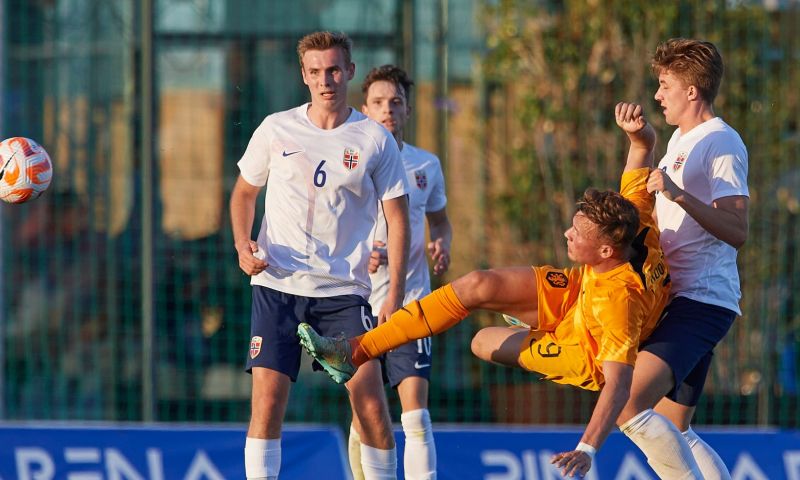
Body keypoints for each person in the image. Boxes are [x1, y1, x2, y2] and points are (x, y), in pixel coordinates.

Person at [300, 103, 703, 477]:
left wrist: (588, 449)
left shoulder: (619, 303)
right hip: (578, 291)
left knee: (481, 341)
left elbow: (617, 386)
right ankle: (356, 350)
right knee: (479, 283)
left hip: (583, 350)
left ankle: (537, 326)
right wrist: (639, 136)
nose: (566, 233)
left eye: (576, 232)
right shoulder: (636, 223)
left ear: (603, 248)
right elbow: (642, 155)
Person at [230, 31, 410, 480]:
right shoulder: (276, 128)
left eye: (333, 70)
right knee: (267, 401)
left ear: (349, 71)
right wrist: (242, 244)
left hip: (344, 293)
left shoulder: (373, 139)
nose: (325, 79)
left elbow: (398, 219)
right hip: (277, 285)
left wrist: (395, 296)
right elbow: (244, 193)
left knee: (369, 402)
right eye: (315, 72)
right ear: (303, 76)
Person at [617, 38, 749, 480]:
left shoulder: (722, 142)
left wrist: (678, 194)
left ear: (691, 91)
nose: (657, 95)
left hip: (701, 302)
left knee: (627, 403)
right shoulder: (680, 138)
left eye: (664, 84)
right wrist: (640, 142)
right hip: (680, 298)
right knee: (677, 427)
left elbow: (737, 230)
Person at [351, 64, 452, 480]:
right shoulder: (352, 160)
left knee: (416, 416)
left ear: (408, 109)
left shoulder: (425, 165)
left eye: (395, 102)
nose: (387, 110)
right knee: (366, 414)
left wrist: (442, 242)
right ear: (365, 110)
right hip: (356, 303)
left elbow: (440, 220)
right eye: (378, 103)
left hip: (410, 300)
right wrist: (364, 256)